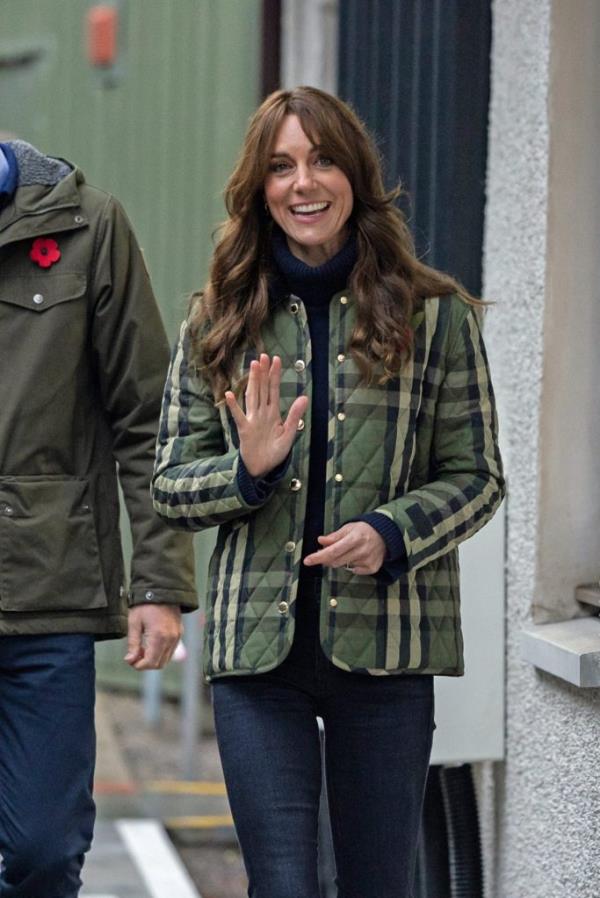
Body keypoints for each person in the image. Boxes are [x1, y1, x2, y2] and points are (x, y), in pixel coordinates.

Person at [152, 86, 504, 898]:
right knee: (281, 885)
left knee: (380, 884)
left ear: (356, 175)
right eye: (281, 166)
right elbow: (171, 483)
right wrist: (249, 471)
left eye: (322, 160)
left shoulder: (436, 318)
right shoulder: (217, 319)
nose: (303, 183)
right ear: (259, 189)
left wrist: (392, 530)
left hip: (385, 655)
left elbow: (478, 476)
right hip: (256, 662)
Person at [0, 139, 197, 898]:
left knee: (45, 850)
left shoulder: (87, 226)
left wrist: (159, 583)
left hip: (50, 594)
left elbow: (148, 419)